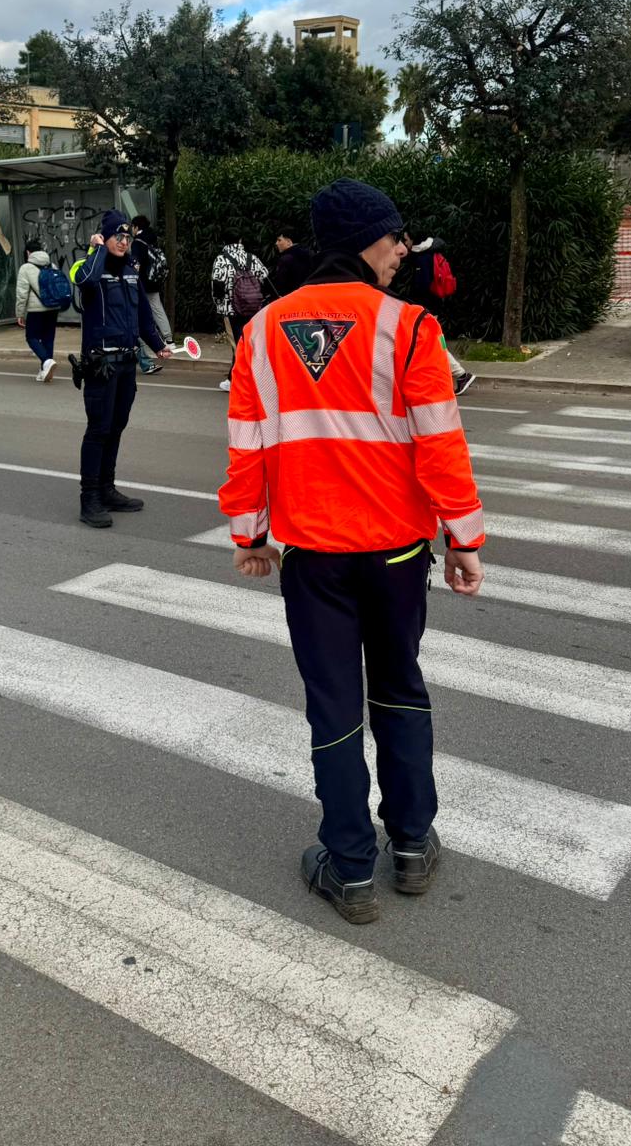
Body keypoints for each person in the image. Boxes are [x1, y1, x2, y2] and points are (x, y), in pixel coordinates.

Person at [219, 178, 486, 926]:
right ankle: (410, 845)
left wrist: (249, 534)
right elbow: (441, 447)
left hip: (314, 558)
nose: (404, 250)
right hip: (398, 555)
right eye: (396, 237)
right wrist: (462, 541)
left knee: (333, 705)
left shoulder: (264, 330)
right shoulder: (410, 329)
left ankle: (348, 866)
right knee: (400, 689)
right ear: (364, 241)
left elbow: (247, 445)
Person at [73, 211, 170, 527]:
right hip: (102, 365)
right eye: (117, 236)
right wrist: (96, 250)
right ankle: (90, 500)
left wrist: (158, 345)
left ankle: (107, 489)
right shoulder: (91, 270)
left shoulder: (130, 272)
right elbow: (84, 280)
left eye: (127, 238)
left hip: (127, 364)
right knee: (98, 429)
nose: (124, 242)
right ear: (104, 237)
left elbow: (143, 315)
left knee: (115, 428)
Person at [404, 234, 475, 396]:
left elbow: (422, 287)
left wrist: (412, 303)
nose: (404, 242)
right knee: (433, 343)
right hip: (432, 308)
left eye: (406, 239)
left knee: (433, 344)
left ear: (414, 240)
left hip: (426, 309)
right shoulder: (429, 253)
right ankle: (445, 377)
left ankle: (461, 375)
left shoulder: (422, 258)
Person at [211, 240, 269, 392]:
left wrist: (220, 305)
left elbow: (217, 285)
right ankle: (247, 376)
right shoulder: (252, 258)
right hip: (253, 309)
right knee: (250, 342)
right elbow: (265, 277)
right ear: (241, 241)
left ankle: (236, 379)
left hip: (231, 310)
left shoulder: (222, 259)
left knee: (237, 344)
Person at [130, 214, 173, 375]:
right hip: (154, 280)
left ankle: (146, 360)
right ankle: (168, 337)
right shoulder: (152, 238)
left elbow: (136, 264)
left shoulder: (137, 243)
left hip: (142, 283)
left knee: (138, 319)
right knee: (156, 308)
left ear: (135, 227)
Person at [15, 239, 62, 383]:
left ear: (28, 252)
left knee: (32, 337)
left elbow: (22, 293)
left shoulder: (25, 268)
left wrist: (20, 314)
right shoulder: (51, 265)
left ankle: (47, 361)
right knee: (48, 338)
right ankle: (44, 370)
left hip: (36, 309)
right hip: (53, 307)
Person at [268, 231, 314, 298]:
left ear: (289, 242)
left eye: (279, 240)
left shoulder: (285, 260)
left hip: (293, 299)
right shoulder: (310, 254)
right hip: (311, 296)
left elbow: (281, 285)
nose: (276, 243)